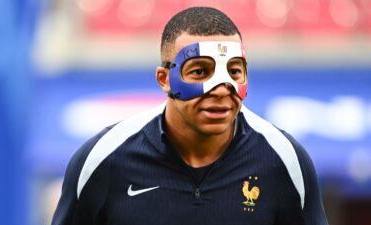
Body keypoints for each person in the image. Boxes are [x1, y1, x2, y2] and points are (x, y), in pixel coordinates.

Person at [52, 6, 328, 225]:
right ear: (165, 79)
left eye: (234, 71)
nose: (221, 90)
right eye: (199, 72)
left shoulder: (284, 160)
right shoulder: (104, 159)